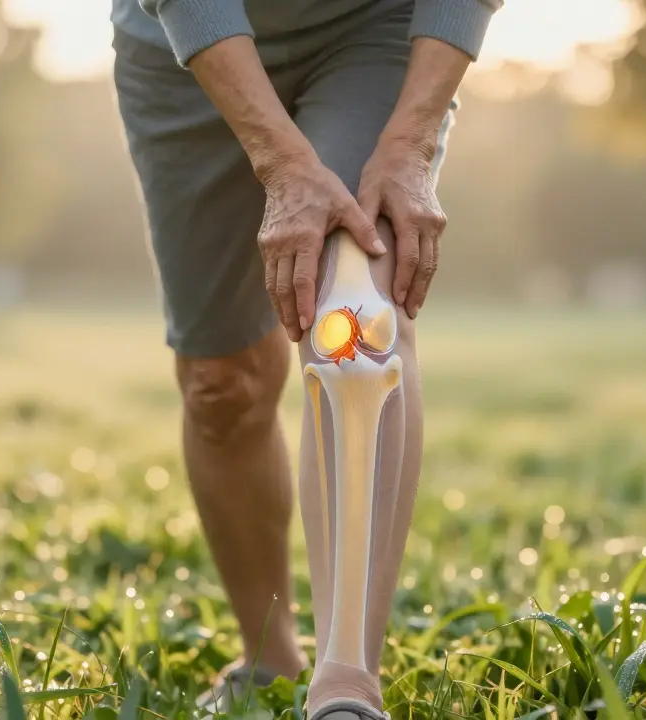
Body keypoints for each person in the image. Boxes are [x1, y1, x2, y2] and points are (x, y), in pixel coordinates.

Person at [109, 1, 500, 717]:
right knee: (221, 387)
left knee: (355, 325)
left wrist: (409, 144)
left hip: (374, 24)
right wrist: (282, 162)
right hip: (183, 43)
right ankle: (270, 658)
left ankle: (346, 684)